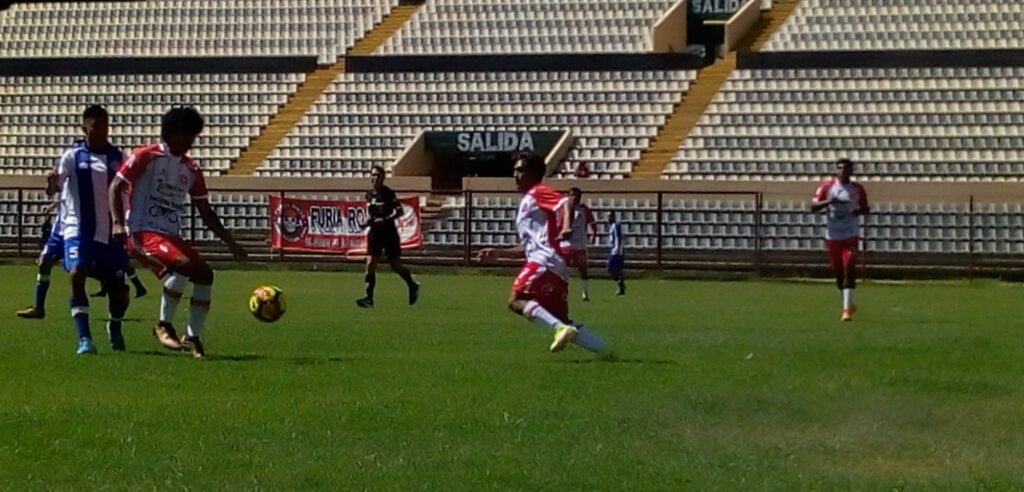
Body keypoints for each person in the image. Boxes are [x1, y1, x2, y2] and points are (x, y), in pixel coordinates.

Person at [109, 107, 247, 359]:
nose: (190, 142)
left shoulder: (191, 169)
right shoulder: (146, 156)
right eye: (186, 135)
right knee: (182, 265)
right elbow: (116, 186)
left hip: (169, 235)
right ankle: (162, 324)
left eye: (193, 136)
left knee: (205, 274)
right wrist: (118, 223)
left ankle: (192, 337)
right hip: (141, 231)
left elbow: (205, 211)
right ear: (170, 133)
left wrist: (231, 242)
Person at [475, 152, 610, 356]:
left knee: (516, 300)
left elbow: (564, 203)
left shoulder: (538, 191)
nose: (515, 175)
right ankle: (607, 351)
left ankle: (560, 330)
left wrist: (566, 226)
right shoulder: (527, 202)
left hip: (544, 260)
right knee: (559, 317)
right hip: (553, 264)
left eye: (520, 170)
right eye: (515, 171)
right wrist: (498, 252)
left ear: (534, 173)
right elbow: (528, 245)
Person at [52, 105, 132, 354]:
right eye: (97, 127)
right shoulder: (72, 157)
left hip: (110, 231)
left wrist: (126, 222)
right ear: (85, 128)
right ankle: (84, 339)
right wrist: (51, 184)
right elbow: (56, 187)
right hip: (79, 228)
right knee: (77, 273)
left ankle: (115, 326)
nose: (102, 132)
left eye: (106, 126)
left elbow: (127, 192)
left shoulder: (119, 158)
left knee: (120, 292)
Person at [810, 158, 870, 322]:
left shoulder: (857, 189)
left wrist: (858, 211)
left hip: (850, 234)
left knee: (849, 267)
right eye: (840, 168)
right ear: (836, 170)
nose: (843, 171)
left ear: (851, 171)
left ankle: (846, 311)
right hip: (833, 235)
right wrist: (830, 201)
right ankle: (848, 302)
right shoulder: (828, 188)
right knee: (838, 273)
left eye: (847, 168)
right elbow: (812, 207)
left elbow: (866, 208)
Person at [356, 165, 419, 308]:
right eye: (373, 175)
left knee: (395, 265)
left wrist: (384, 219)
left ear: (383, 178)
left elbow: (399, 211)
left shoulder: (388, 193)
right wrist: (367, 223)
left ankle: (412, 284)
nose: (375, 178)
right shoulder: (369, 194)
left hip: (389, 233)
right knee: (370, 264)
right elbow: (371, 213)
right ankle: (368, 297)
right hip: (375, 233)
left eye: (378, 175)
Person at [15, 178, 63, 319]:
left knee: (81, 270)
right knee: (44, 263)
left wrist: (54, 204)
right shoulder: (65, 182)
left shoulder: (74, 180)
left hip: (73, 229)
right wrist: (53, 204)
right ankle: (39, 308)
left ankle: (112, 284)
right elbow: (52, 193)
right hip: (59, 230)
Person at [562, 187, 597, 301]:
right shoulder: (564, 209)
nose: (574, 198)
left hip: (580, 244)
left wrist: (593, 233)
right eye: (572, 195)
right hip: (566, 244)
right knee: (563, 270)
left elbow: (592, 222)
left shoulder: (584, 209)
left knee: (583, 270)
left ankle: (585, 293)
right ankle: (563, 293)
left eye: (577, 195)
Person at [606, 211, 626, 296]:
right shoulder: (612, 226)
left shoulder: (616, 225)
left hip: (616, 251)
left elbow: (618, 237)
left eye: (609, 216)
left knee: (610, 269)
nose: (608, 219)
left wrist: (617, 249)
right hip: (615, 250)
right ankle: (621, 286)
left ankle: (620, 284)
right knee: (617, 269)